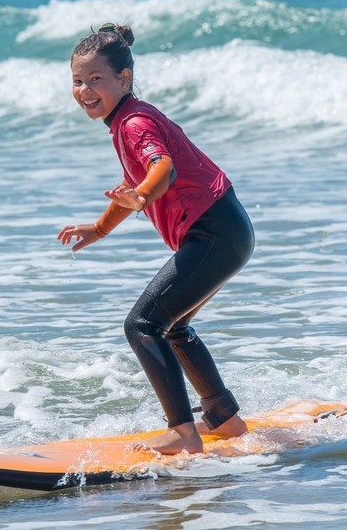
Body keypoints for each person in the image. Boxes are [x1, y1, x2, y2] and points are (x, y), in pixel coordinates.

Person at [57, 23, 255, 455]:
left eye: (96, 80)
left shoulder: (134, 122)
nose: (85, 90)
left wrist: (144, 193)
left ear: (123, 78)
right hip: (228, 230)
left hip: (214, 233)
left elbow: (160, 168)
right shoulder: (128, 118)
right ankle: (224, 419)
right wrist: (101, 226)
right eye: (78, 81)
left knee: (143, 325)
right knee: (174, 326)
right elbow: (135, 179)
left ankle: (184, 434)